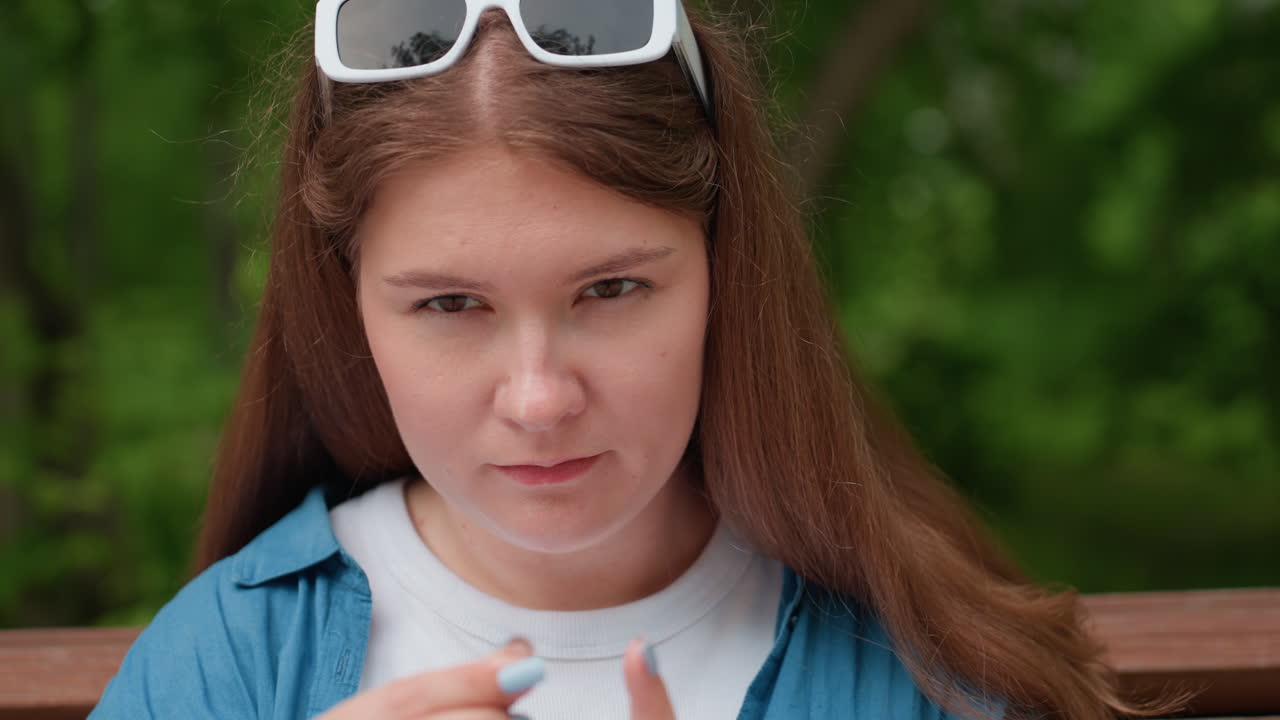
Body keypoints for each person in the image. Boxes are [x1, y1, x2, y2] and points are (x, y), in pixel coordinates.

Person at [89, 1, 1184, 719]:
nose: (538, 399)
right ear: (346, 304)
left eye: (610, 290)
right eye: (449, 304)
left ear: (723, 272)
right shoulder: (221, 667)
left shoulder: (926, 680)